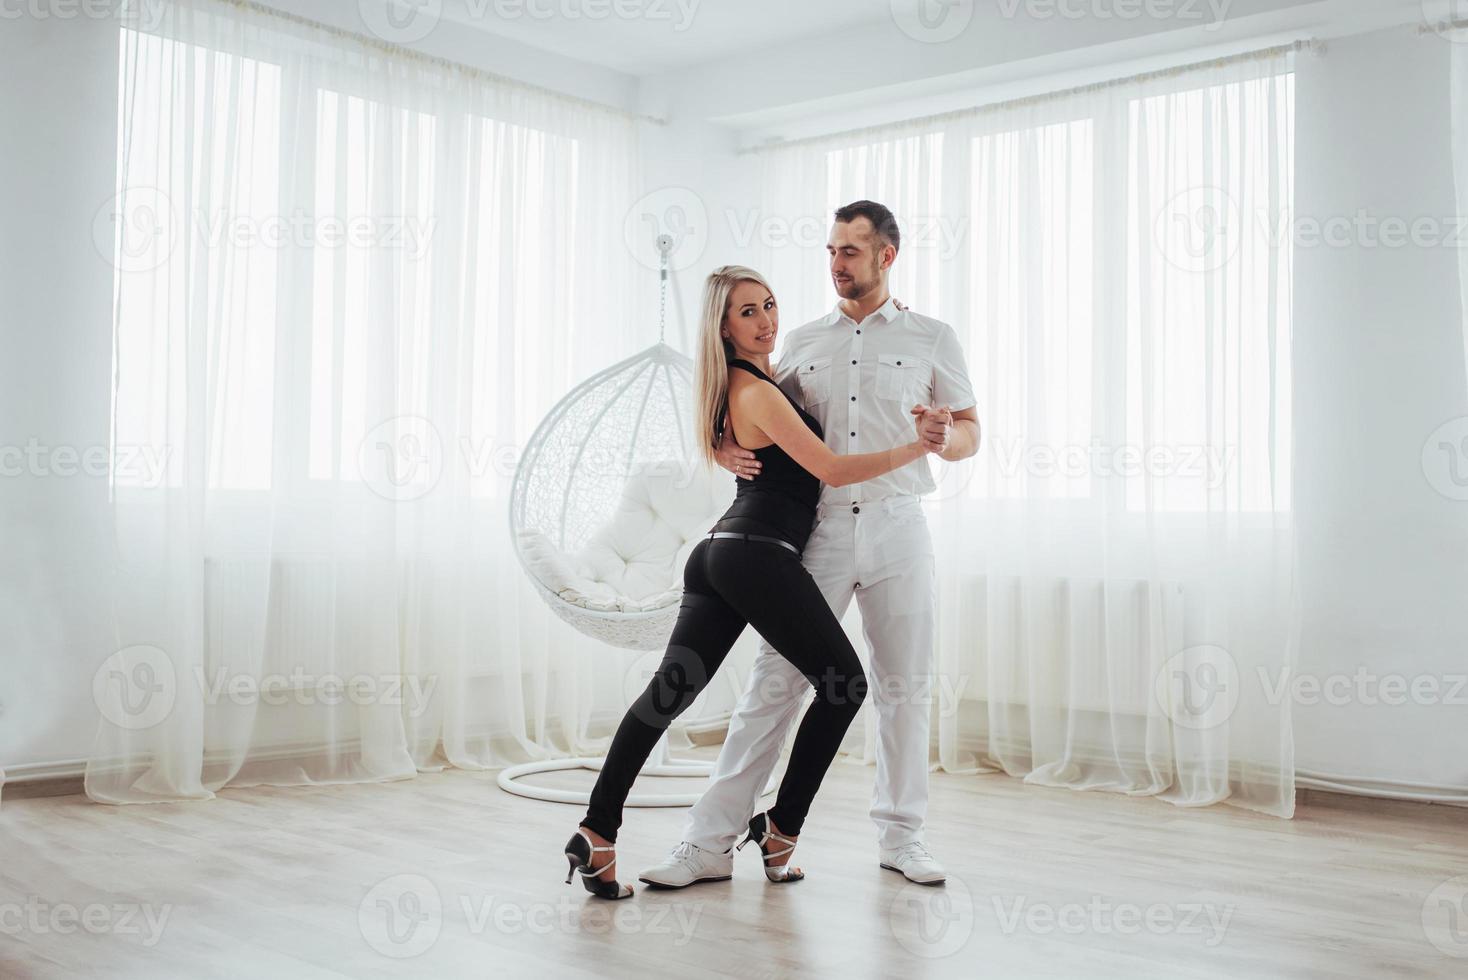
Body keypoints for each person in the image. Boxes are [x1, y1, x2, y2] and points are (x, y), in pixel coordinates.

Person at [563, 264, 940, 899]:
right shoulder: (757, 390)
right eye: (747, 312)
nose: (765, 321)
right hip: (756, 555)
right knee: (844, 686)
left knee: (668, 692)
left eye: (768, 305)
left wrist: (716, 445)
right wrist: (916, 446)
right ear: (723, 327)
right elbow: (834, 469)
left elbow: (741, 435)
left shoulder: (751, 383)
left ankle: (597, 831)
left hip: (718, 553)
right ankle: (780, 829)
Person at [640, 201, 979, 889]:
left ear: (886, 256)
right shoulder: (799, 341)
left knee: (902, 685)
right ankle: (707, 841)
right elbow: (750, 399)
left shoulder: (932, 338)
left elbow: (972, 430)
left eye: (851, 251)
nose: (835, 263)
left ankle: (901, 837)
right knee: (775, 683)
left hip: (898, 524)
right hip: (819, 533)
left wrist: (947, 435)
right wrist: (718, 442)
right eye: (830, 249)